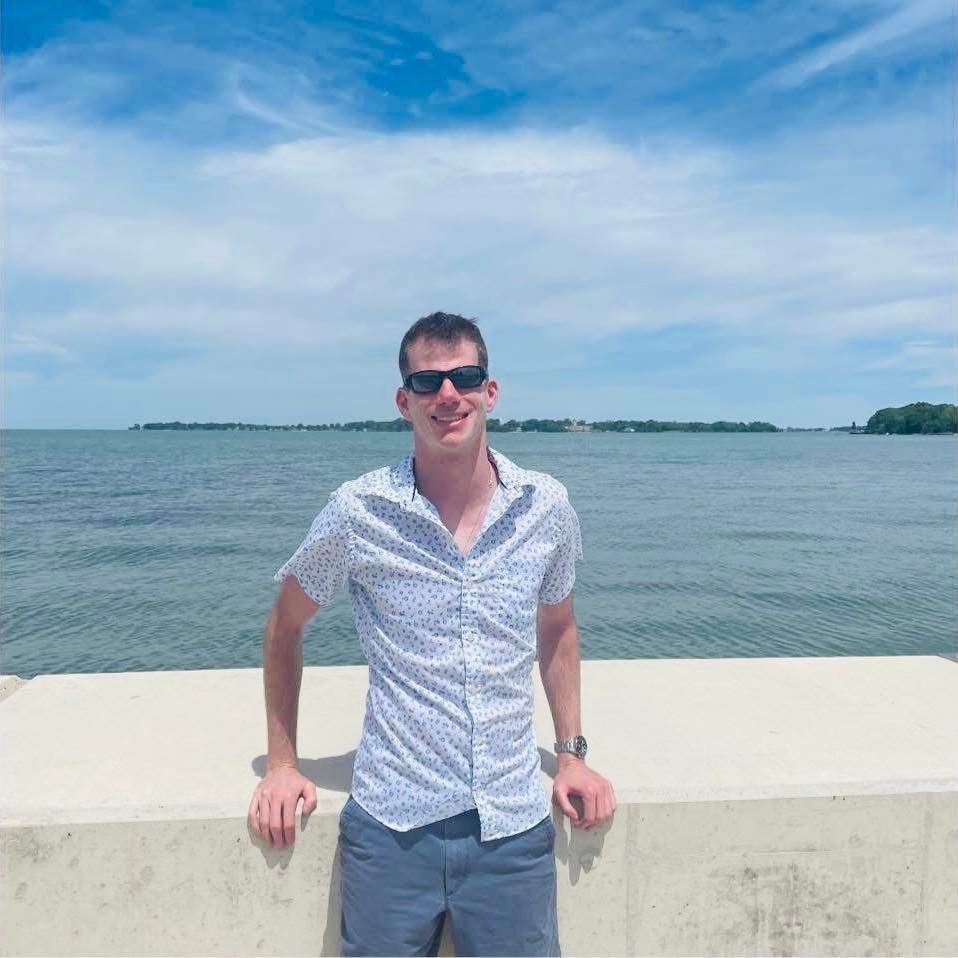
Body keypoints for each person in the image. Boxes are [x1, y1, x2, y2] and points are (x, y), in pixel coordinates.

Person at [249, 312, 615, 957]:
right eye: (427, 381)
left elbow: (556, 628)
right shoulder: (360, 512)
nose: (448, 394)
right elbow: (284, 626)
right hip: (393, 828)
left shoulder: (546, 506)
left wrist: (572, 754)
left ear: (489, 391)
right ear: (404, 400)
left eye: (464, 376)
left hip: (512, 827)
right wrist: (282, 765)